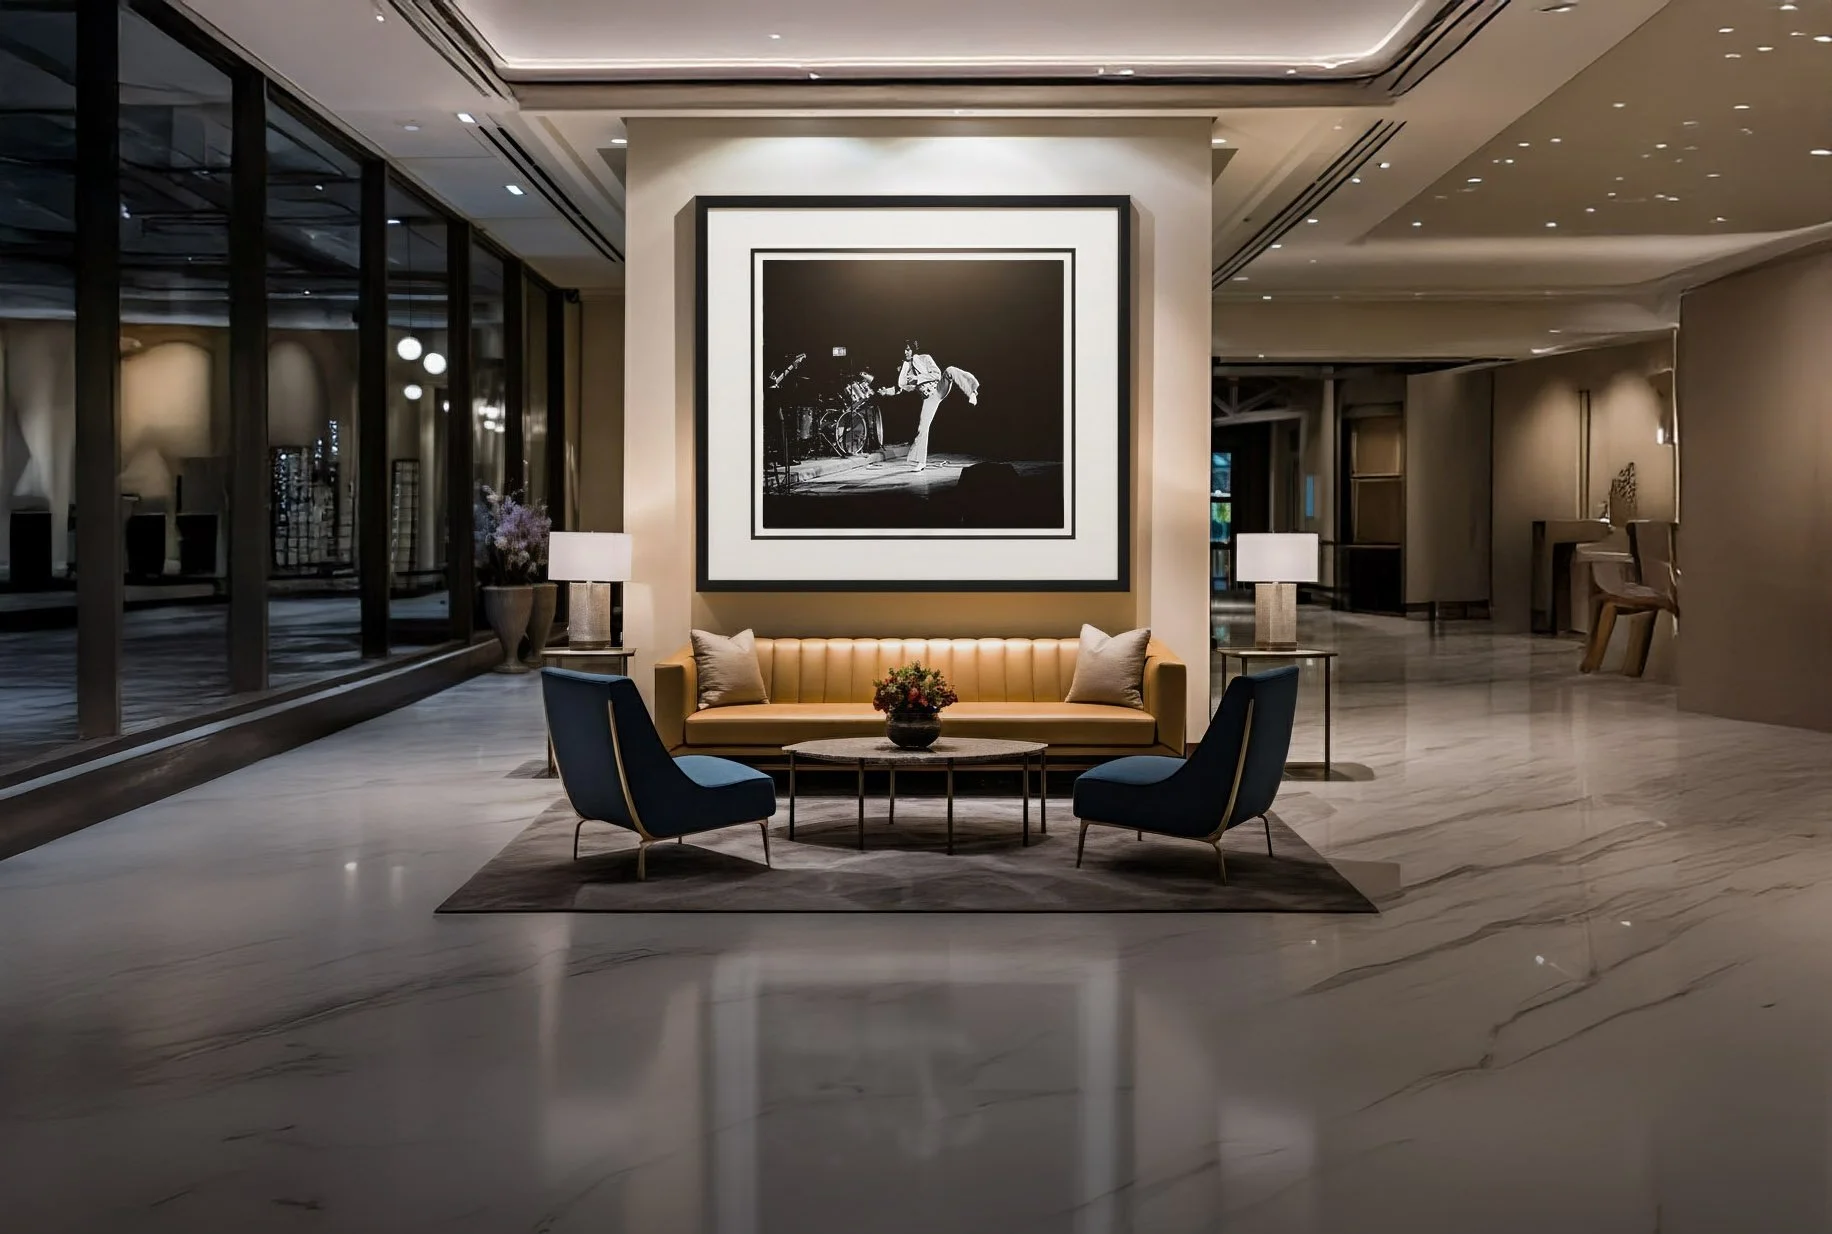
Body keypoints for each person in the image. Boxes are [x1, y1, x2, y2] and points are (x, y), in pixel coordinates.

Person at [878, 339, 979, 472]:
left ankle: (972, 392)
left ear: (913, 349)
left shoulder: (925, 358)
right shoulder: (903, 368)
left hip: (938, 389)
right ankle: (921, 461)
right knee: (922, 428)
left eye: (908, 349)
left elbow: (937, 374)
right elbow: (899, 388)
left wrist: (918, 379)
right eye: (904, 350)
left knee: (950, 370)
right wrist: (886, 392)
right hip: (928, 399)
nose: (906, 352)